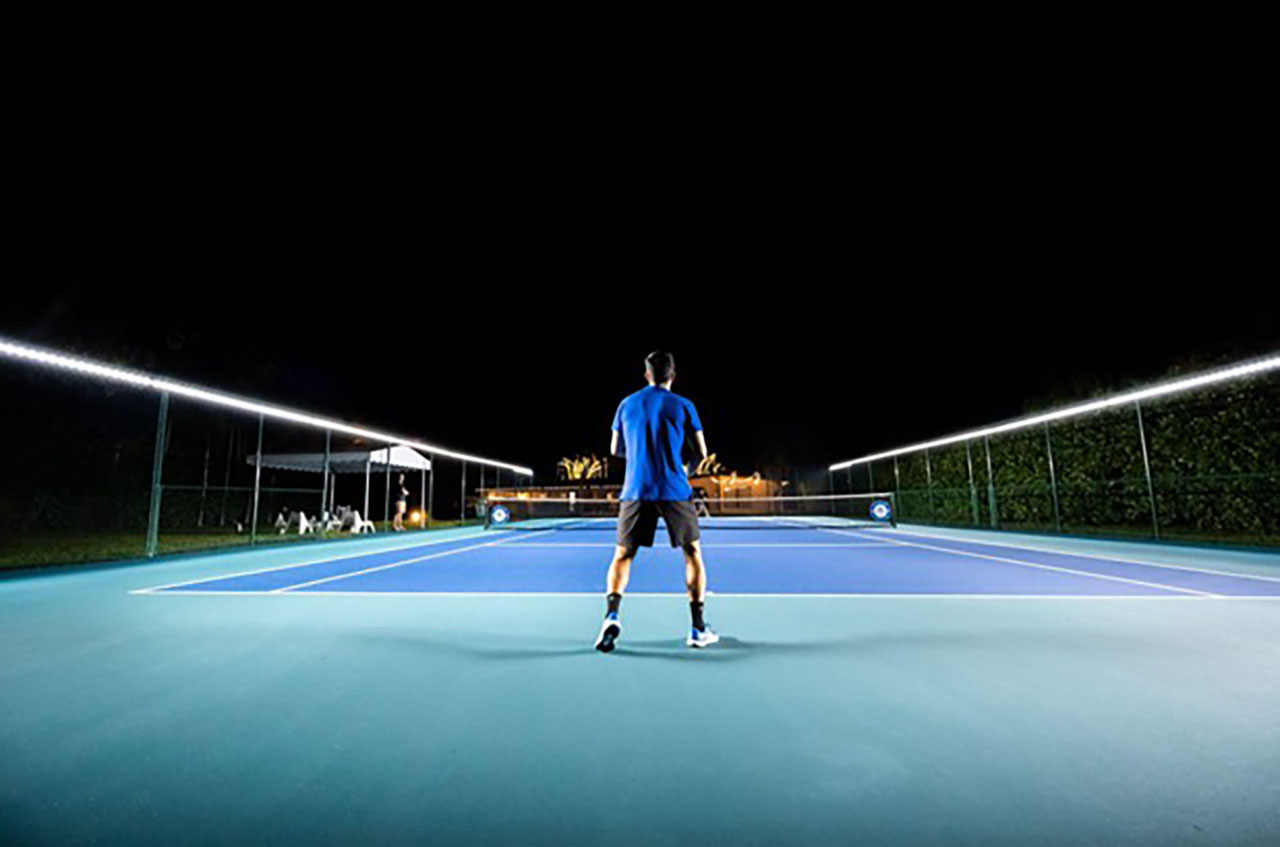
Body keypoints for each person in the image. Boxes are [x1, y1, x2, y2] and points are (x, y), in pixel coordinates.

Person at [596, 350, 719, 652]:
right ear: (673, 375)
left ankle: (611, 616)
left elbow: (615, 449)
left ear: (647, 374)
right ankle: (697, 628)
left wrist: (641, 457)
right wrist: (683, 470)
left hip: (636, 489)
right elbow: (701, 452)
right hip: (675, 490)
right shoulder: (684, 405)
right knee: (693, 553)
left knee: (623, 555)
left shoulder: (626, 404)